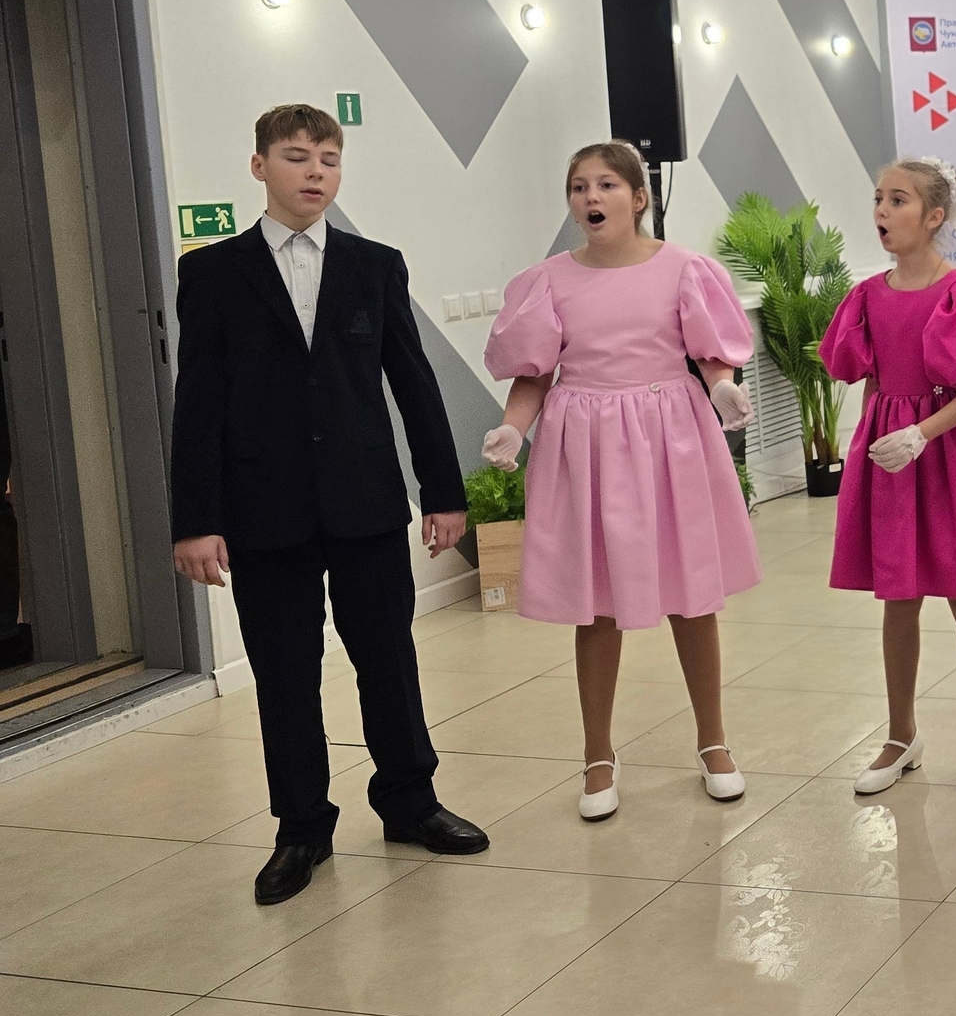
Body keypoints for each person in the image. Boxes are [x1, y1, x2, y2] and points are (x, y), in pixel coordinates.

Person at [171, 103, 487, 905]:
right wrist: (196, 520)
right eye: (296, 156)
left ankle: (410, 803)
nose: (315, 172)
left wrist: (444, 493)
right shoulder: (213, 273)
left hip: (365, 500)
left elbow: (413, 383)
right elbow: (198, 401)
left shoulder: (374, 265)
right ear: (259, 167)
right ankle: (301, 828)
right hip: (262, 508)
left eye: (328, 159)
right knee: (285, 674)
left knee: (388, 661)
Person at [481, 142, 761, 822]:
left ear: (638, 198)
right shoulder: (548, 280)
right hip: (589, 444)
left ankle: (714, 742)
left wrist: (723, 388)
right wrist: (514, 428)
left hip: (670, 437)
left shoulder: (683, 269)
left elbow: (711, 356)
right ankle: (598, 755)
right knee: (597, 603)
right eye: (579, 186)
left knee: (692, 595)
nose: (591, 197)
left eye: (606, 184)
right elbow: (535, 375)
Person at [825, 157, 956, 799]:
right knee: (899, 597)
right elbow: (874, 380)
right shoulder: (868, 295)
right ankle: (900, 734)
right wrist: (875, 438)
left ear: (934, 216)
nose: (882, 211)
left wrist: (921, 434)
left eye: (898, 200)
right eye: (878, 199)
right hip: (892, 457)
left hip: (950, 454)